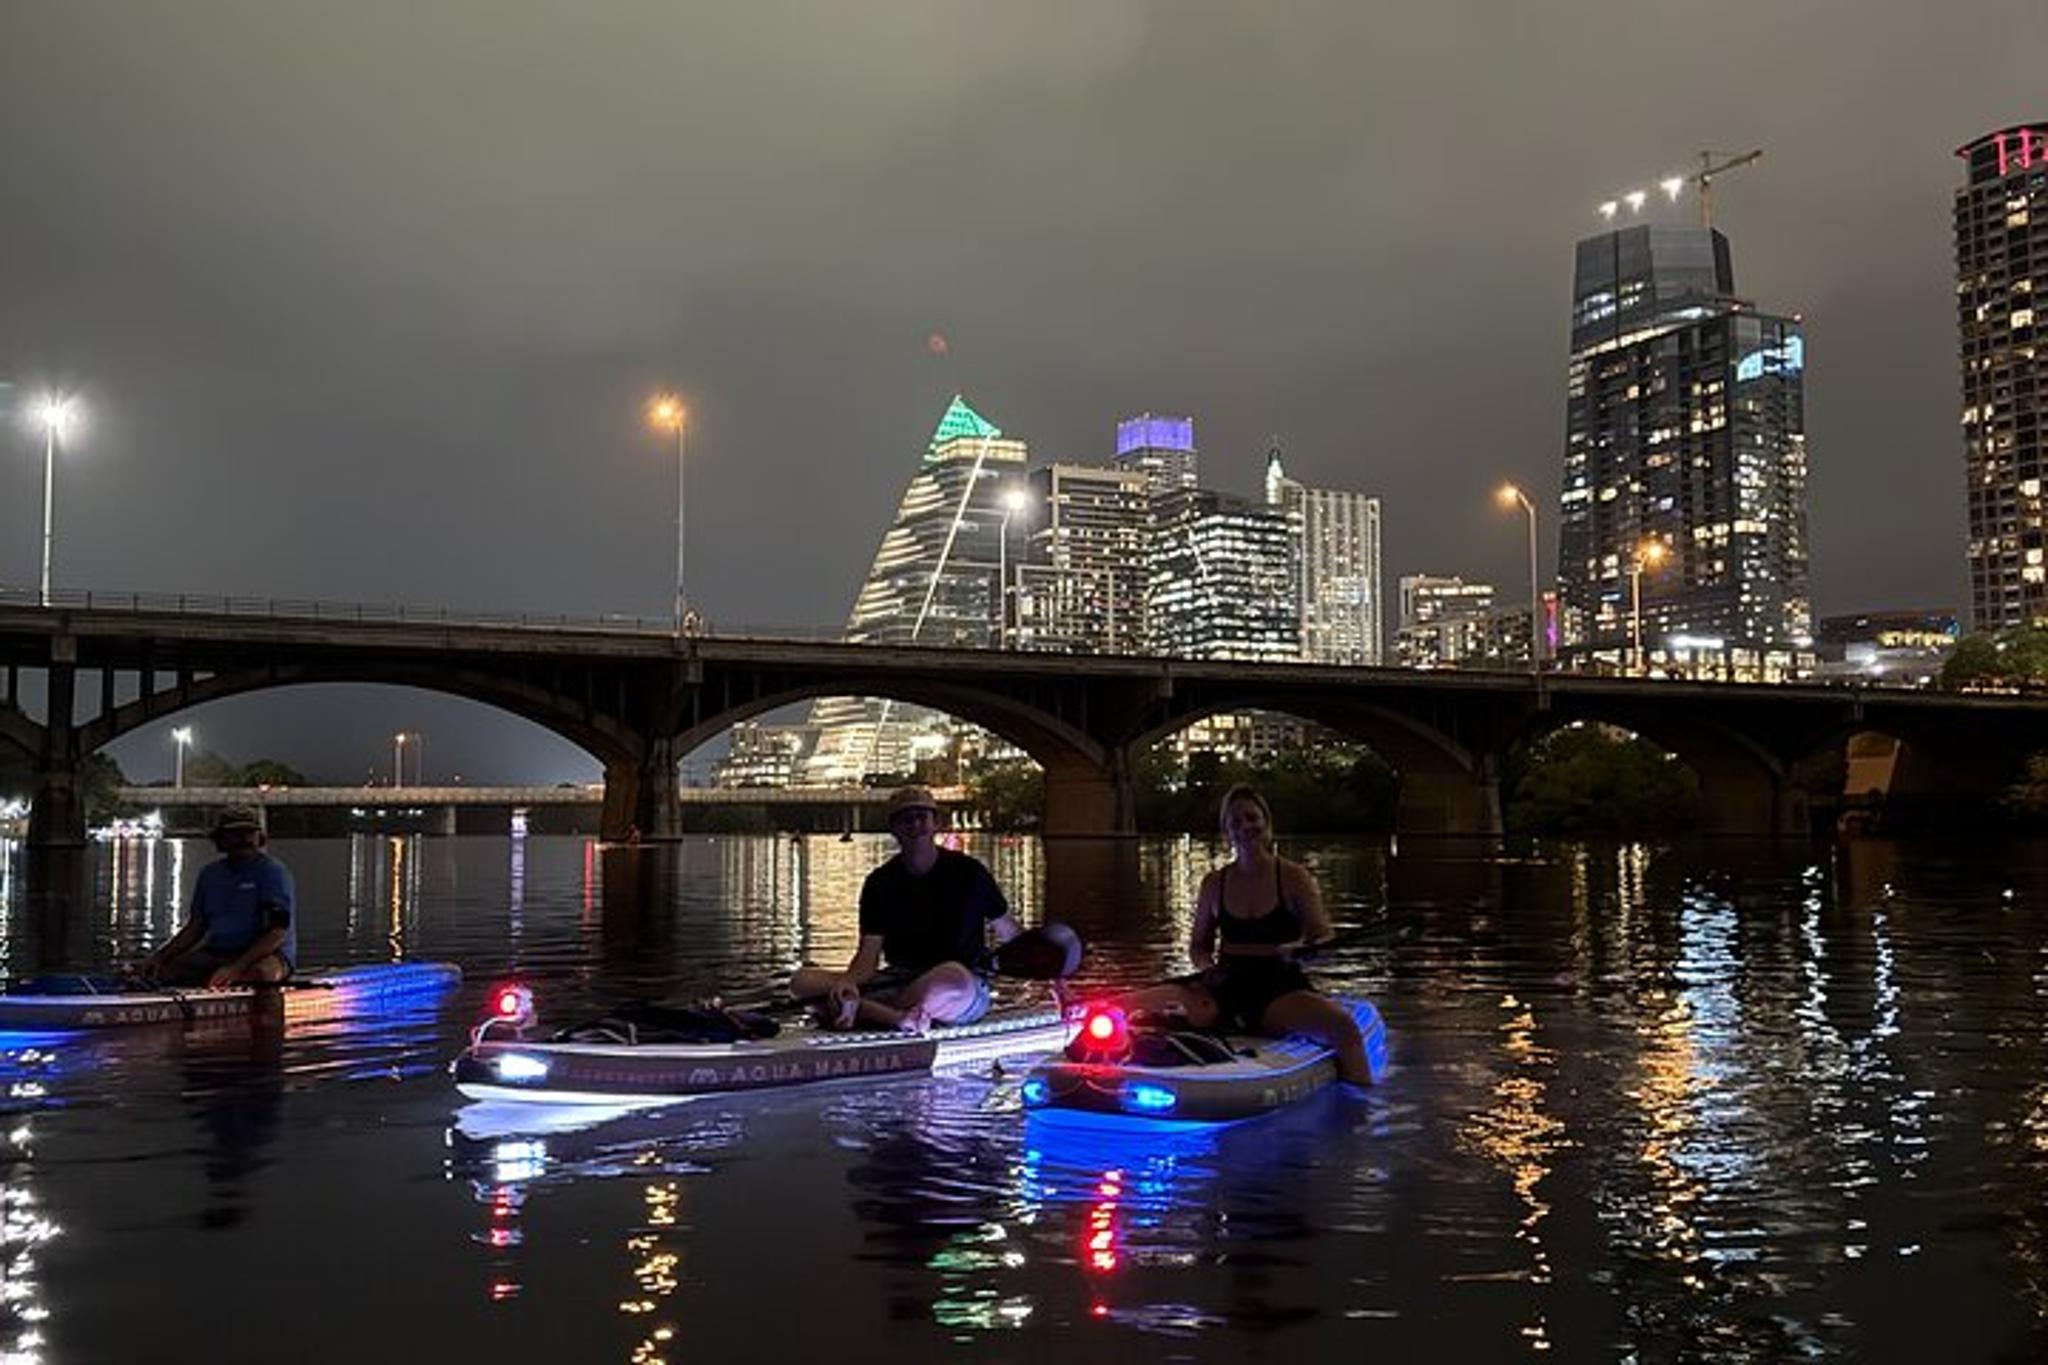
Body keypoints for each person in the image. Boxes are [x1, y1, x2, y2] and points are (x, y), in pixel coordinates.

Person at [1108, 783, 1373, 1086]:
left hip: (1278, 988)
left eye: (1252, 818)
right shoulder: (1213, 883)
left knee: (1343, 1028)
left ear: (1266, 822)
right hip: (1224, 984)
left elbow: (1322, 937)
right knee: (1122, 1004)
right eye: (1236, 821)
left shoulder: (1293, 878)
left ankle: (1361, 1108)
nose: (1246, 827)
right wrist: (1209, 969)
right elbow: (1198, 947)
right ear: (1227, 830)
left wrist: (1305, 947)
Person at [790, 785, 1021, 1033]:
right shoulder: (879, 882)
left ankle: (868, 1012)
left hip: (957, 982)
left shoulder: (970, 873)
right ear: (894, 828)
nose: (915, 825)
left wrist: (1053, 966)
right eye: (906, 819)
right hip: (898, 980)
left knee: (952, 981)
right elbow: (868, 958)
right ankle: (893, 1016)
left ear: (935, 824)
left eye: (922, 817)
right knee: (802, 981)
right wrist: (848, 982)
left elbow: (1011, 935)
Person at [132, 805, 297, 988]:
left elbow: (277, 933)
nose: (243, 839)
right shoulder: (210, 875)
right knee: (163, 970)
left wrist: (236, 968)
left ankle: (267, 1015)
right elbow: (195, 927)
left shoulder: (272, 873)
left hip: (268, 954)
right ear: (220, 840)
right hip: (218, 952)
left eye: (249, 832)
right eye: (234, 833)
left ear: (260, 837)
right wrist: (159, 957)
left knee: (263, 973)